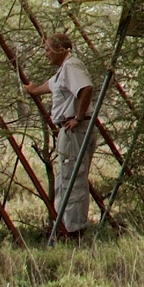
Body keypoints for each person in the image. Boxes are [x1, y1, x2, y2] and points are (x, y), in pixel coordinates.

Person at [21, 32, 95, 242]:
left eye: (47, 49)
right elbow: (53, 85)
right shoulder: (64, 69)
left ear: (61, 49)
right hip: (69, 130)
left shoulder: (72, 66)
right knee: (66, 179)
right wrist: (34, 90)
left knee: (73, 179)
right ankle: (65, 227)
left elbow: (86, 88)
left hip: (74, 129)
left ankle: (74, 232)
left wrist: (78, 118)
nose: (45, 54)